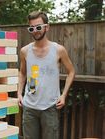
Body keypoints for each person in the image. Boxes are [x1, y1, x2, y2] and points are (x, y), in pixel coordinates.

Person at [17, 11, 75, 139]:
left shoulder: (58, 50)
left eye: (38, 27)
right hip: (29, 107)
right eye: (31, 28)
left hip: (50, 107)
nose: (35, 31)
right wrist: (19, 93)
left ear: (47, 27)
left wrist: (64, 95)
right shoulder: (25, 51)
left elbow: (71, 72)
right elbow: (22, 73)